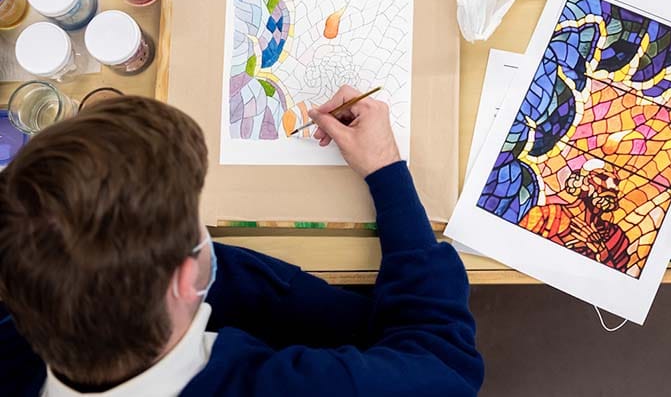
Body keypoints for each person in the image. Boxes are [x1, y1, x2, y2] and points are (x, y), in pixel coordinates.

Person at [0, 87, 483, 396]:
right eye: (195, 223)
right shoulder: (294, 388)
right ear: (189, 278)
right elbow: (444, 362)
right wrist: (387, 172)